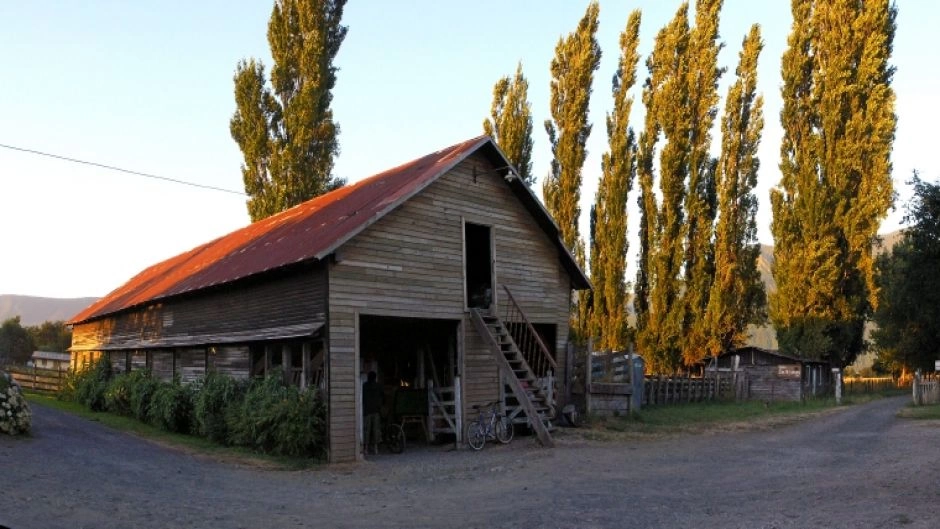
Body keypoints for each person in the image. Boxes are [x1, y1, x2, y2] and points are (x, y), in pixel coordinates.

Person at [362, 371, 384, 455]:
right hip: (376, 410)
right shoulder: (378, 386)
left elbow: (362, 397)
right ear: (375, 378)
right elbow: (383, 396)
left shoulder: (364, 386)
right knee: (376, 429)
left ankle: (366, 448)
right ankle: (376, 448)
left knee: (366, 430)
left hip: (367, 410)